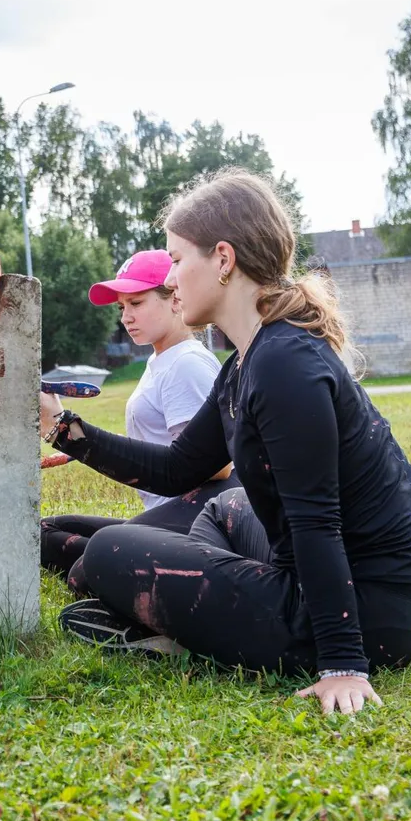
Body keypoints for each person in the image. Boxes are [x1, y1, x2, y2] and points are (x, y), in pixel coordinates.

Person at [41, 169, 411, 714]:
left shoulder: (284, 364)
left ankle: (193, 626)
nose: (172, 278)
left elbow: (316, 521)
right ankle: (196, 619)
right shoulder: (249, 359)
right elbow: (178, 469)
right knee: (228, 508)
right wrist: (63, 426)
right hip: (332, 579)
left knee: (110, 552)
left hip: (379, 612)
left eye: (178, 260)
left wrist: (342, 665)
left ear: (224, 260)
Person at [40, 249, 240, 593]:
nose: (125, 317)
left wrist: (63, 427)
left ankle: (150, 568)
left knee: (84, 568)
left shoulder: (186, 364)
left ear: (175, 299)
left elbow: (216, 468)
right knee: (43, 533)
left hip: (200, 517)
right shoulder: (162, 359)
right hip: (171, 511)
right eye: (122, 307)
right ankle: (132, 557)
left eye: (136, 303)